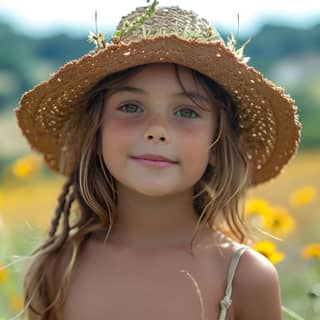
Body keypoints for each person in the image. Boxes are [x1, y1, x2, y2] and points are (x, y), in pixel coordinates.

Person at [15, 1, 301, 319]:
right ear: (95, 134)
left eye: (186, 111)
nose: (156, 130)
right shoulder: (57, 269)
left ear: (217, 146)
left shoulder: (245, 277)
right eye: (131, 107)